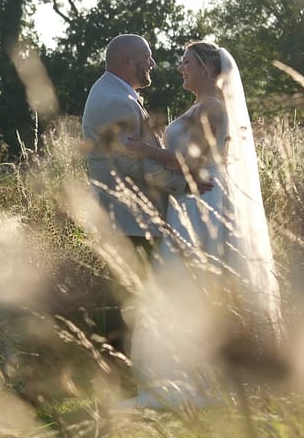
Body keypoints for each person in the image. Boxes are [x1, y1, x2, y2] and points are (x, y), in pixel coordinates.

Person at [119, 41, 284, 409]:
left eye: (187, 62)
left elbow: (191, 164)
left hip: (204, 202)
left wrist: (145, 150)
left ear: (208, 69)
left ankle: (200, 374)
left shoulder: (211, 108)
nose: (181, 67)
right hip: (191, 201)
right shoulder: (200, 106)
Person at [81, 34, 196, 357]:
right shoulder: (117, 100)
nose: (153, 64)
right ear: (127, 61)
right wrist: (185, 185)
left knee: (128, 299)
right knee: (126, 302)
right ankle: (121, 375)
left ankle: (128, 370)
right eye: (147, 57)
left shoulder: (114, 92)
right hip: (129, 218)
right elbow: (132, 165)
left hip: (124, 216)